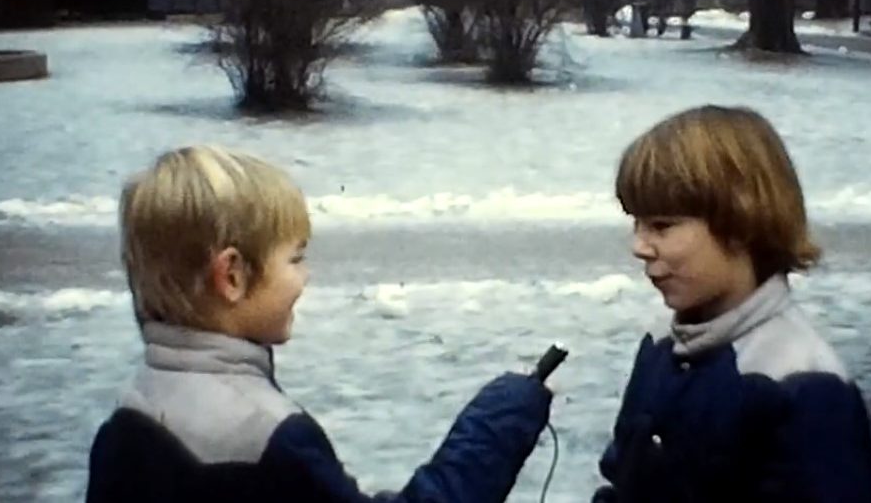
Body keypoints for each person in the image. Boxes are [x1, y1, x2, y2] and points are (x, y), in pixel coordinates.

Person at [86, 145, 552, 502]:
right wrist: (495, 425)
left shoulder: (132, 413)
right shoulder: (264, 436)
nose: (304, 277)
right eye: (295, 258)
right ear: (231, 276)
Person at [592, 106, 871, 502]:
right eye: (636, 223)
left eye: (661, 226)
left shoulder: (802, 386)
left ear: (742, 222)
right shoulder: (662, 351)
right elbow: (622, 483)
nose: (639, 246)